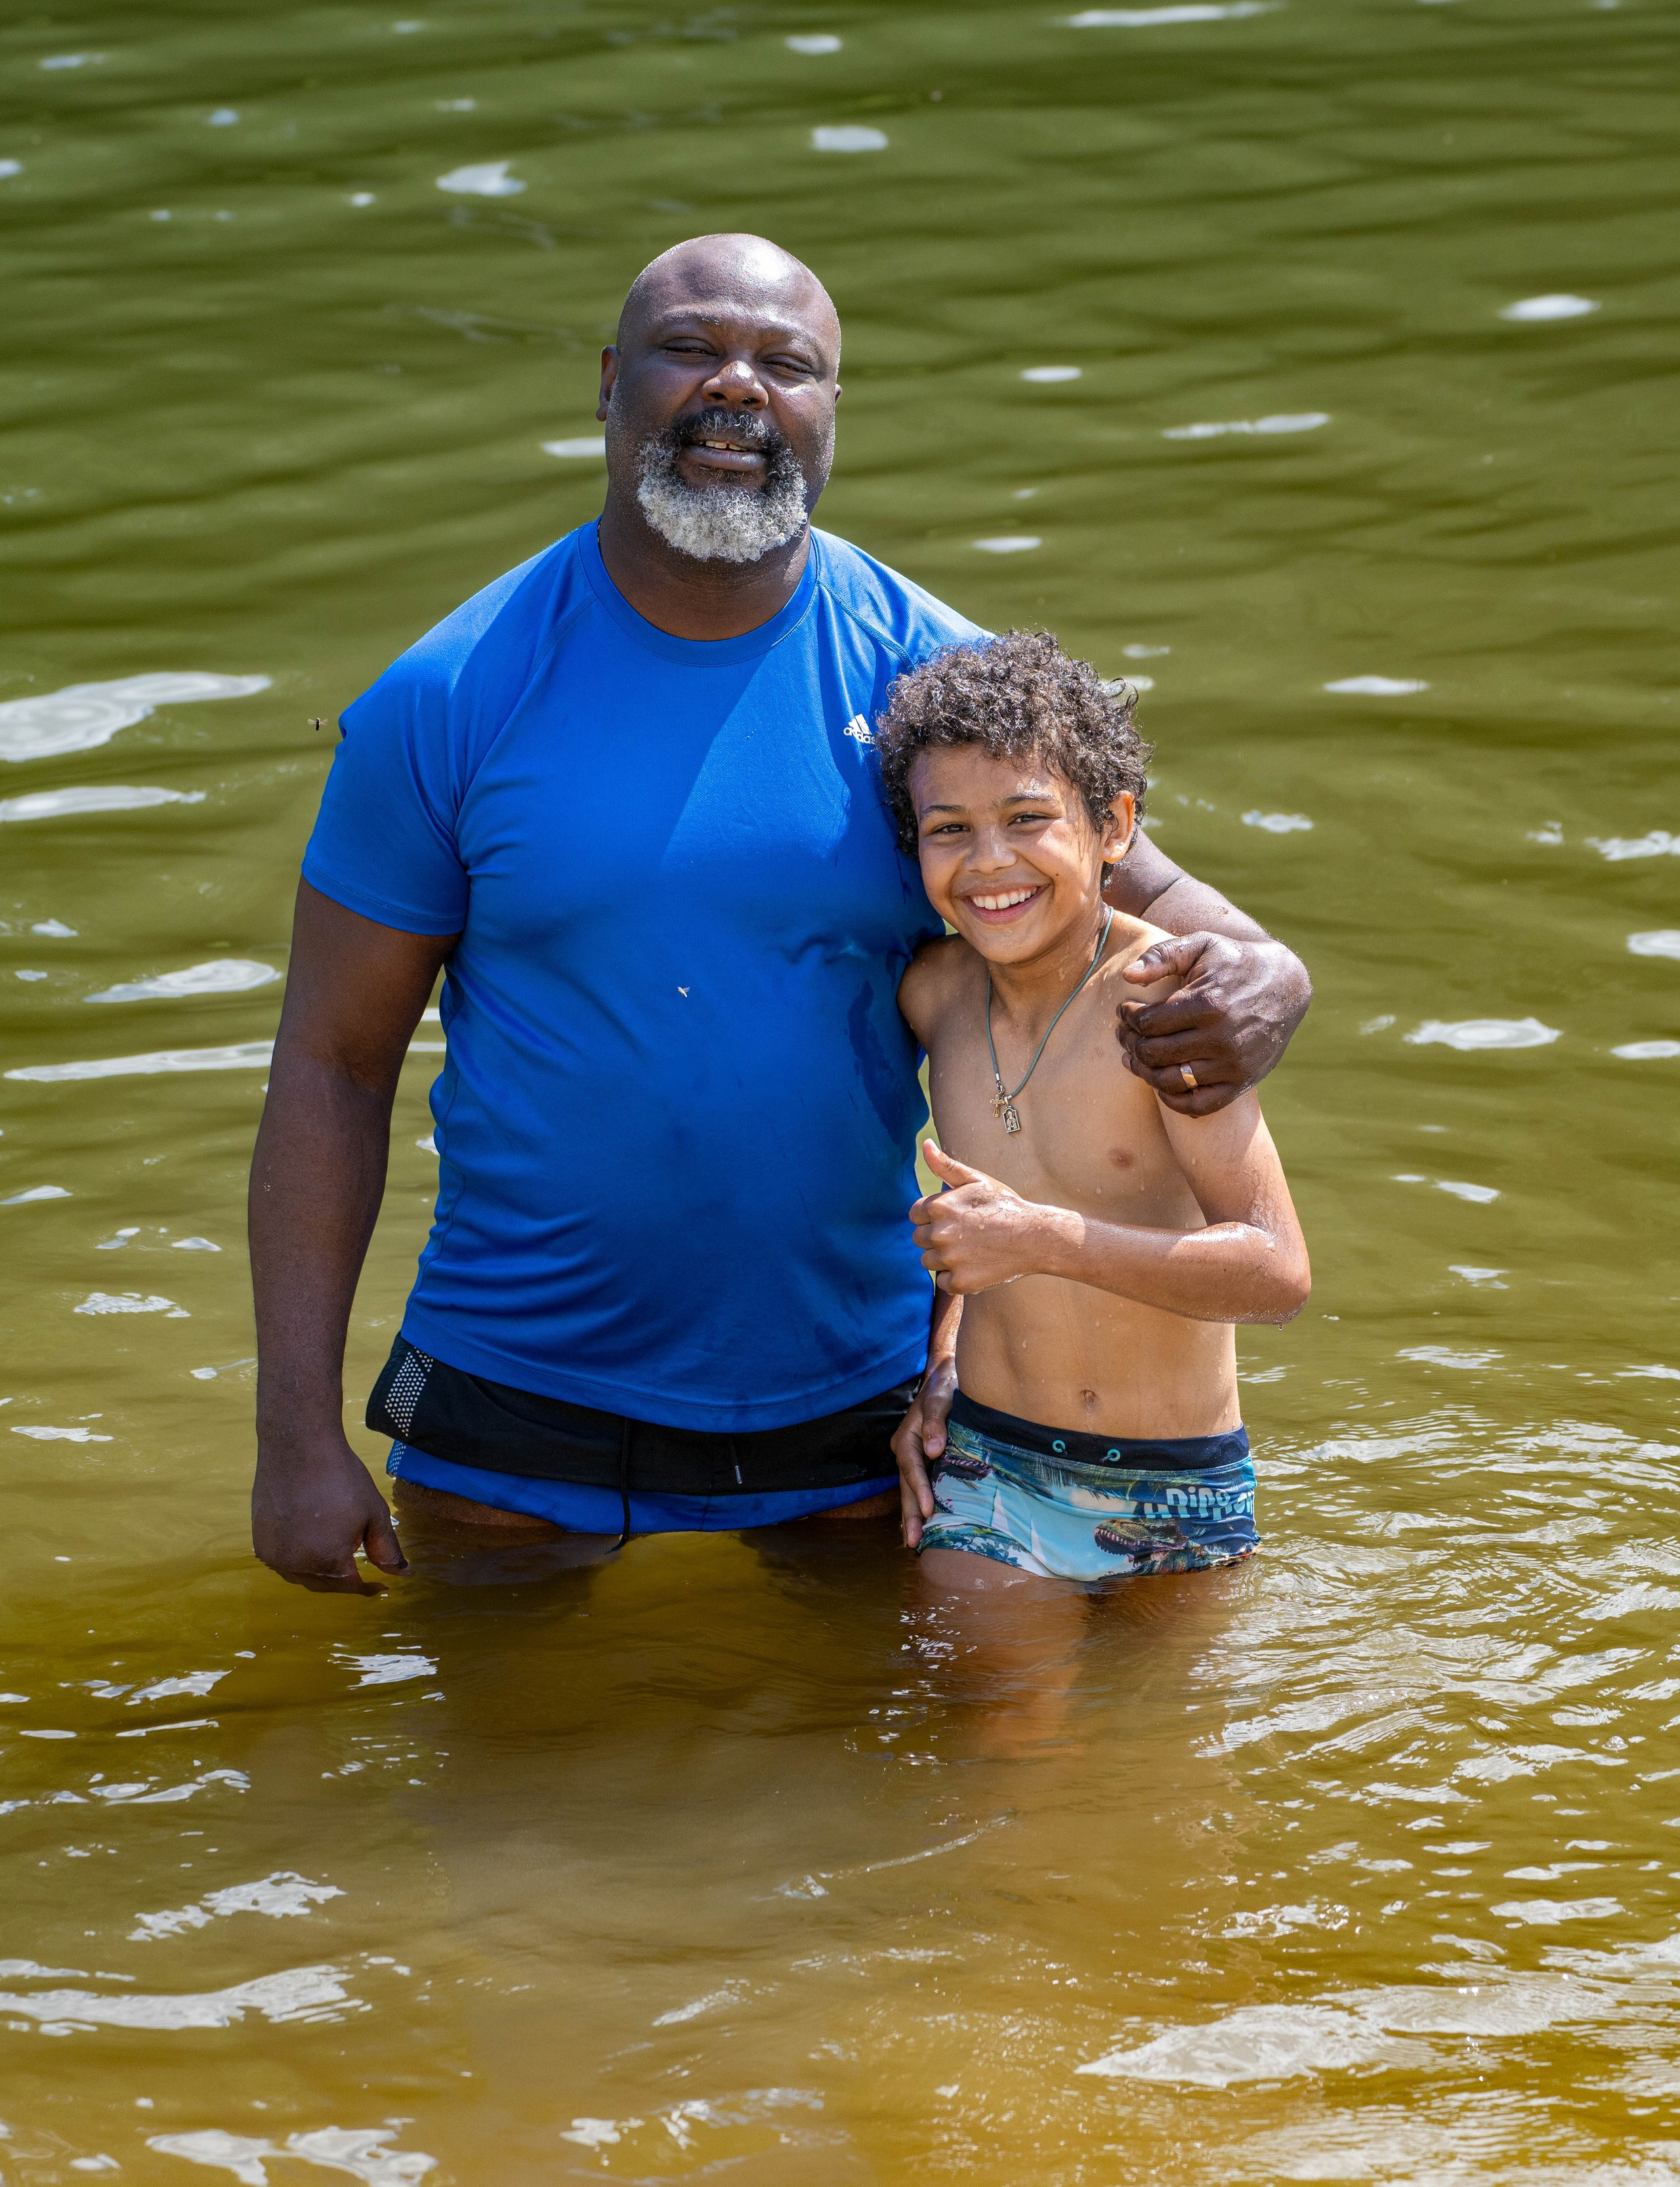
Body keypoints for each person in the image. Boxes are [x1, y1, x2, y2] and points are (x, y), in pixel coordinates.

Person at [249, 232, 1312, 1593]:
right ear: (608, 384)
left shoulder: (929, 679)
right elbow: (332, 1063)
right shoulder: (447, 697)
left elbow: (1156, 909)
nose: (736, 388)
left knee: (871, 1787)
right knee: (488, 1788)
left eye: (785, 365)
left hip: (852, 1408)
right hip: (517, 1380)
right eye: (691, 349)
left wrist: (1270, 977)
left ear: (828, 414)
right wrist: (294, 1436)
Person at [881, 631, 1310, 1586]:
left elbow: (1277, 1273)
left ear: (1114, 826)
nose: (990, 864)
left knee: (1168, 1739)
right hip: (994, 1462)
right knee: (998, 1732)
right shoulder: (934, 997)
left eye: (1029, 818)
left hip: (1181, 1484)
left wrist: (1045, 1241)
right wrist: (939, 1361)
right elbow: (980, 1212)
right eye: (949, 829)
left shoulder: (1166, 1008)